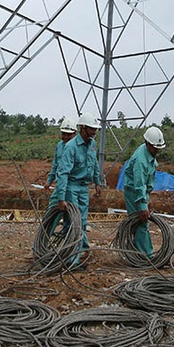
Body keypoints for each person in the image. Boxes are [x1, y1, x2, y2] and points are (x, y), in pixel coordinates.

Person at [49, 112, 102, 269]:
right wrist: (61, 197)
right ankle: (72, 260)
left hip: (84, 187)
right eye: (91, 129)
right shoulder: (70, 147)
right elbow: (63, 173)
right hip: (71, 187)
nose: (94, 132)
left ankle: (72, 256)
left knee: (81, 223)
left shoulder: (92, 145)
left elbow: (95, 165)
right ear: (82, 128)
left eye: (95, 129)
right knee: (73, 223)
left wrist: (97, 183)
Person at [122, 126, 166, 257]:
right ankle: (145, 255)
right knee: (141, 221)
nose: (157, 150)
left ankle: (138, 252)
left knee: (141, 221)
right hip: (134, 192)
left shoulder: (148, 152)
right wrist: (142, 206)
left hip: (141, 191)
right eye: (155, 147)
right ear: (147, 143)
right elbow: (139, 185)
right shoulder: (140, 161)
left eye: (158, 147)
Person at [45, 116, 78, 188]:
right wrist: (49, 181)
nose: (66, 136)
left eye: (69, 134)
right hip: (60, 183)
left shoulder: (79, 147)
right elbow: (55, 165)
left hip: (73, 184)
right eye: (64, 133)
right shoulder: (59, 145)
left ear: (75, 134)